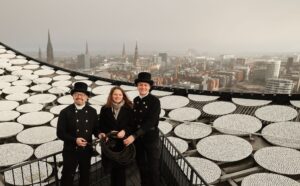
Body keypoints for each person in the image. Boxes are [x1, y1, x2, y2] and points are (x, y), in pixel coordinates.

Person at [57, 82, 99, 186]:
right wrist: (75, 140)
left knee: (85, 176)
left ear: (87, 97)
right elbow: (60, 133)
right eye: (77, 94)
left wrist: (100, 134)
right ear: (73, 96)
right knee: (67, 177)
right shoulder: (65, 112)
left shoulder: (92, 111)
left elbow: (95, 129)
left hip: (86, 151)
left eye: (82, 94)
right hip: (70, 151)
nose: (79, 96)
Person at [124, 72, 161, 186]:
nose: (143, 87)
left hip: (150, 139)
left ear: (149, 87)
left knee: (153, 168)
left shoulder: (154, 101)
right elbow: (133, 121)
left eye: (145, 85)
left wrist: (134, 135)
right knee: (141, 166)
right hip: (139, 141)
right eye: (140, 84)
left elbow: (151, 122)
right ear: (137, 86)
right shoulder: (135, 100)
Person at [98, 86, 134, 186]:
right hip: (110, 145)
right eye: (115, 94)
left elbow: (132, 125)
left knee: (121, 171)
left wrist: (124, 131)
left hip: (123, 145)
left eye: (119, 94)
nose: (117, 96)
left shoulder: (129, 108)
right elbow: (101, 125)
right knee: (112, 171)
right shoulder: (105, 109)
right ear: (111, 96)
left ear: (123, 96)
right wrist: (107, 132)